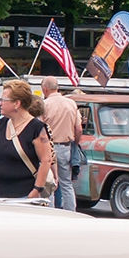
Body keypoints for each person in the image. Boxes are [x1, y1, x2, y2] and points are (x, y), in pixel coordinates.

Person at [0, 79, 55, 200]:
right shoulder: (2, 123)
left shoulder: (36, 128)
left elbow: (46, 160)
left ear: (17, 103)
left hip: (21, 197)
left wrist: (36, 190)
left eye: (3, 100)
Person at [39, 76, 81, 211]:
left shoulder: (45, 105)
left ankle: (50, 212)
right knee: (66, 183)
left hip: (48, 147)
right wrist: (75, 142)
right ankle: (71, 212)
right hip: (65, 146)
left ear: (45, 89)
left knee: (49, 182)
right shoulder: (71, 103)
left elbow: (39, 127)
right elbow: (78, 128)